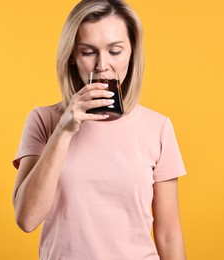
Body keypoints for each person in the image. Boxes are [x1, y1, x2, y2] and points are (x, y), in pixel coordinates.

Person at [12, 0, 187, 259]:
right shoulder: (44, 120)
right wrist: (64, 130)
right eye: (88, 51)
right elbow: (27, 219)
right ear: (72, 56)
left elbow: (169, 236)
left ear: (132, 53)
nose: (102, 65)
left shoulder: (158, 128)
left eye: (115, 51)